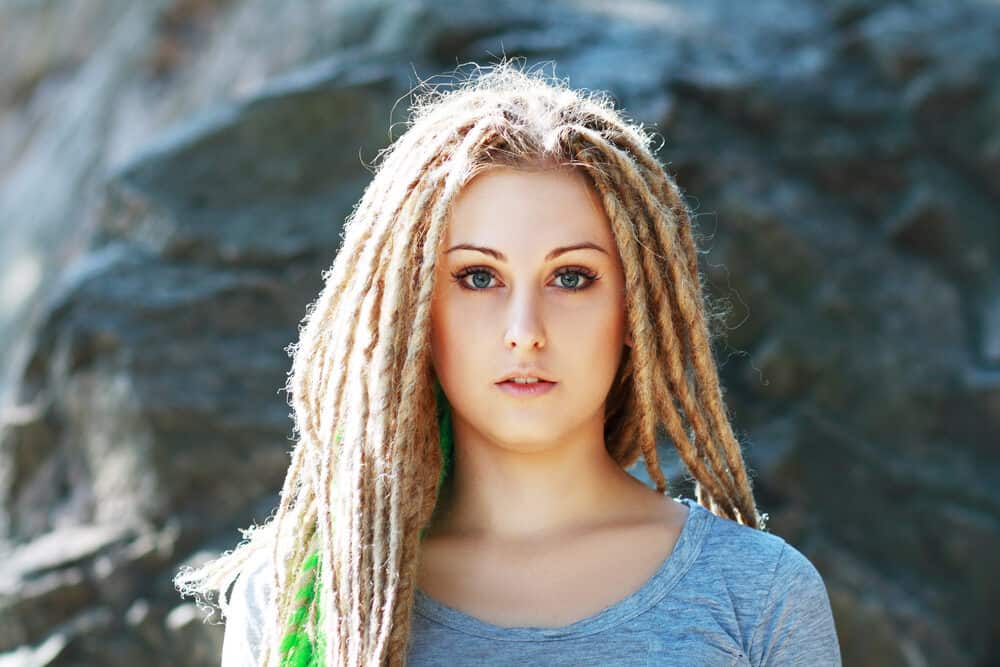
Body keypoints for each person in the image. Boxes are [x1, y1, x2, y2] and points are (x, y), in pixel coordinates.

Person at [174, 58, 842, 666]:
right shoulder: (308, 597)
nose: (525, 331)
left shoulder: (757, 594)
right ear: (415, 311)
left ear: (636, 311)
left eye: (573, 277)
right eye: (477, 277)